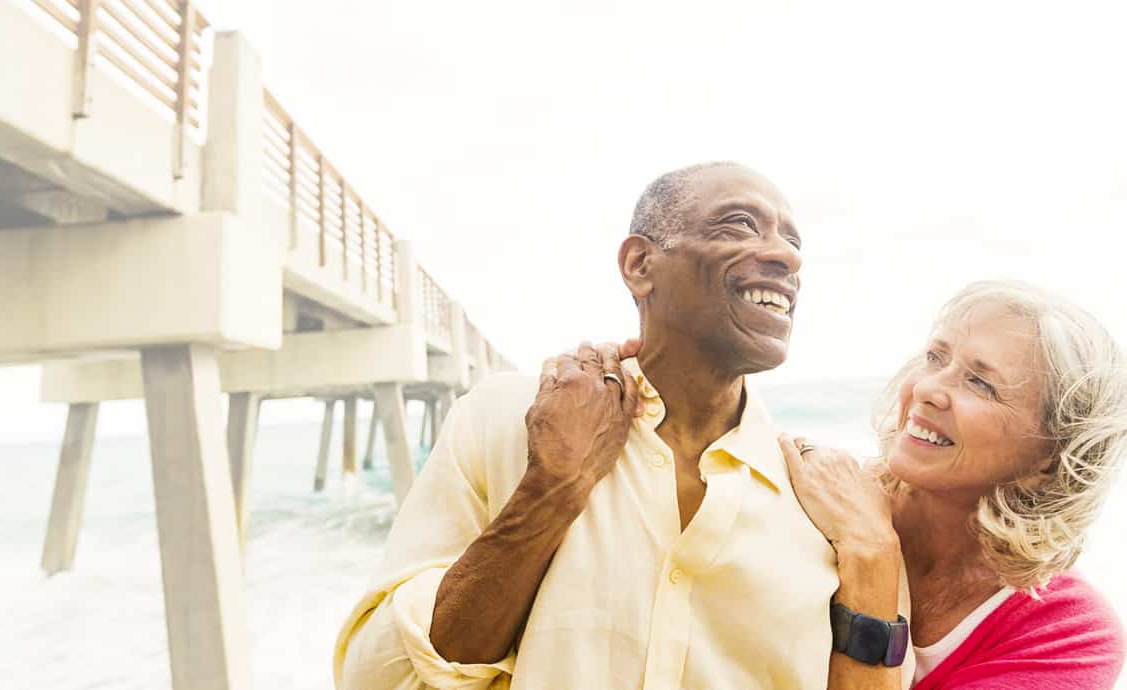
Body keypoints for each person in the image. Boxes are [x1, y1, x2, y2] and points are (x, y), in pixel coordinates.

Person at [333, 162, 915, 689]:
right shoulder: (506, 419)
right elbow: (376, 678)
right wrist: (550, 489)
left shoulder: (834, 504)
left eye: (791, 241)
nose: (787, 257)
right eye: (739, 226)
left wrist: (873, 551)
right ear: (640, 265)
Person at [588, 280, 1127, 688]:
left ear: (1050, 459)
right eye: (936, 358)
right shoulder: (807, 494)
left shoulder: (1070, 632)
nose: (928, 389)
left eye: (980, 383)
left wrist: (871, 552)